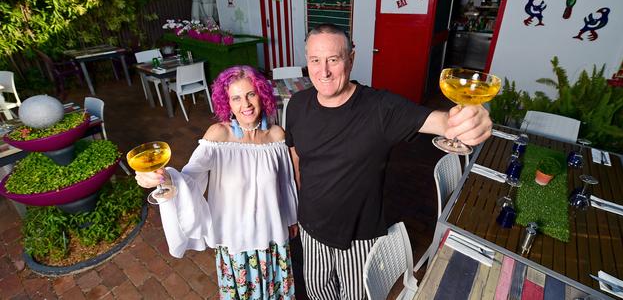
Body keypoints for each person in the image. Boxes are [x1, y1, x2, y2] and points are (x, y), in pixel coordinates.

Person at [285, 23, 493, 299]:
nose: (323, 71)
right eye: (315, 60)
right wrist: (294, 210)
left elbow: (440, 121)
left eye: (333, 60)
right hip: (311, 230)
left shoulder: (381, 108)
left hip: (358, 237)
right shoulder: (297, 104)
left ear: (351, 59)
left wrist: (464, 122)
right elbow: (295, 159)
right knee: (318, 292)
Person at [135, 65, 299, 299]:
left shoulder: (276, 136)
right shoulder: (219, 136)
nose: (246, 104)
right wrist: (166, 178)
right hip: (236, 242)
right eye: (236, 98)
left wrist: (291, 217)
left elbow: (285, 183)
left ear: (262, 95)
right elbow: (191, 177)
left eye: (251, 94)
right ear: (228, 103)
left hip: (272, 237)